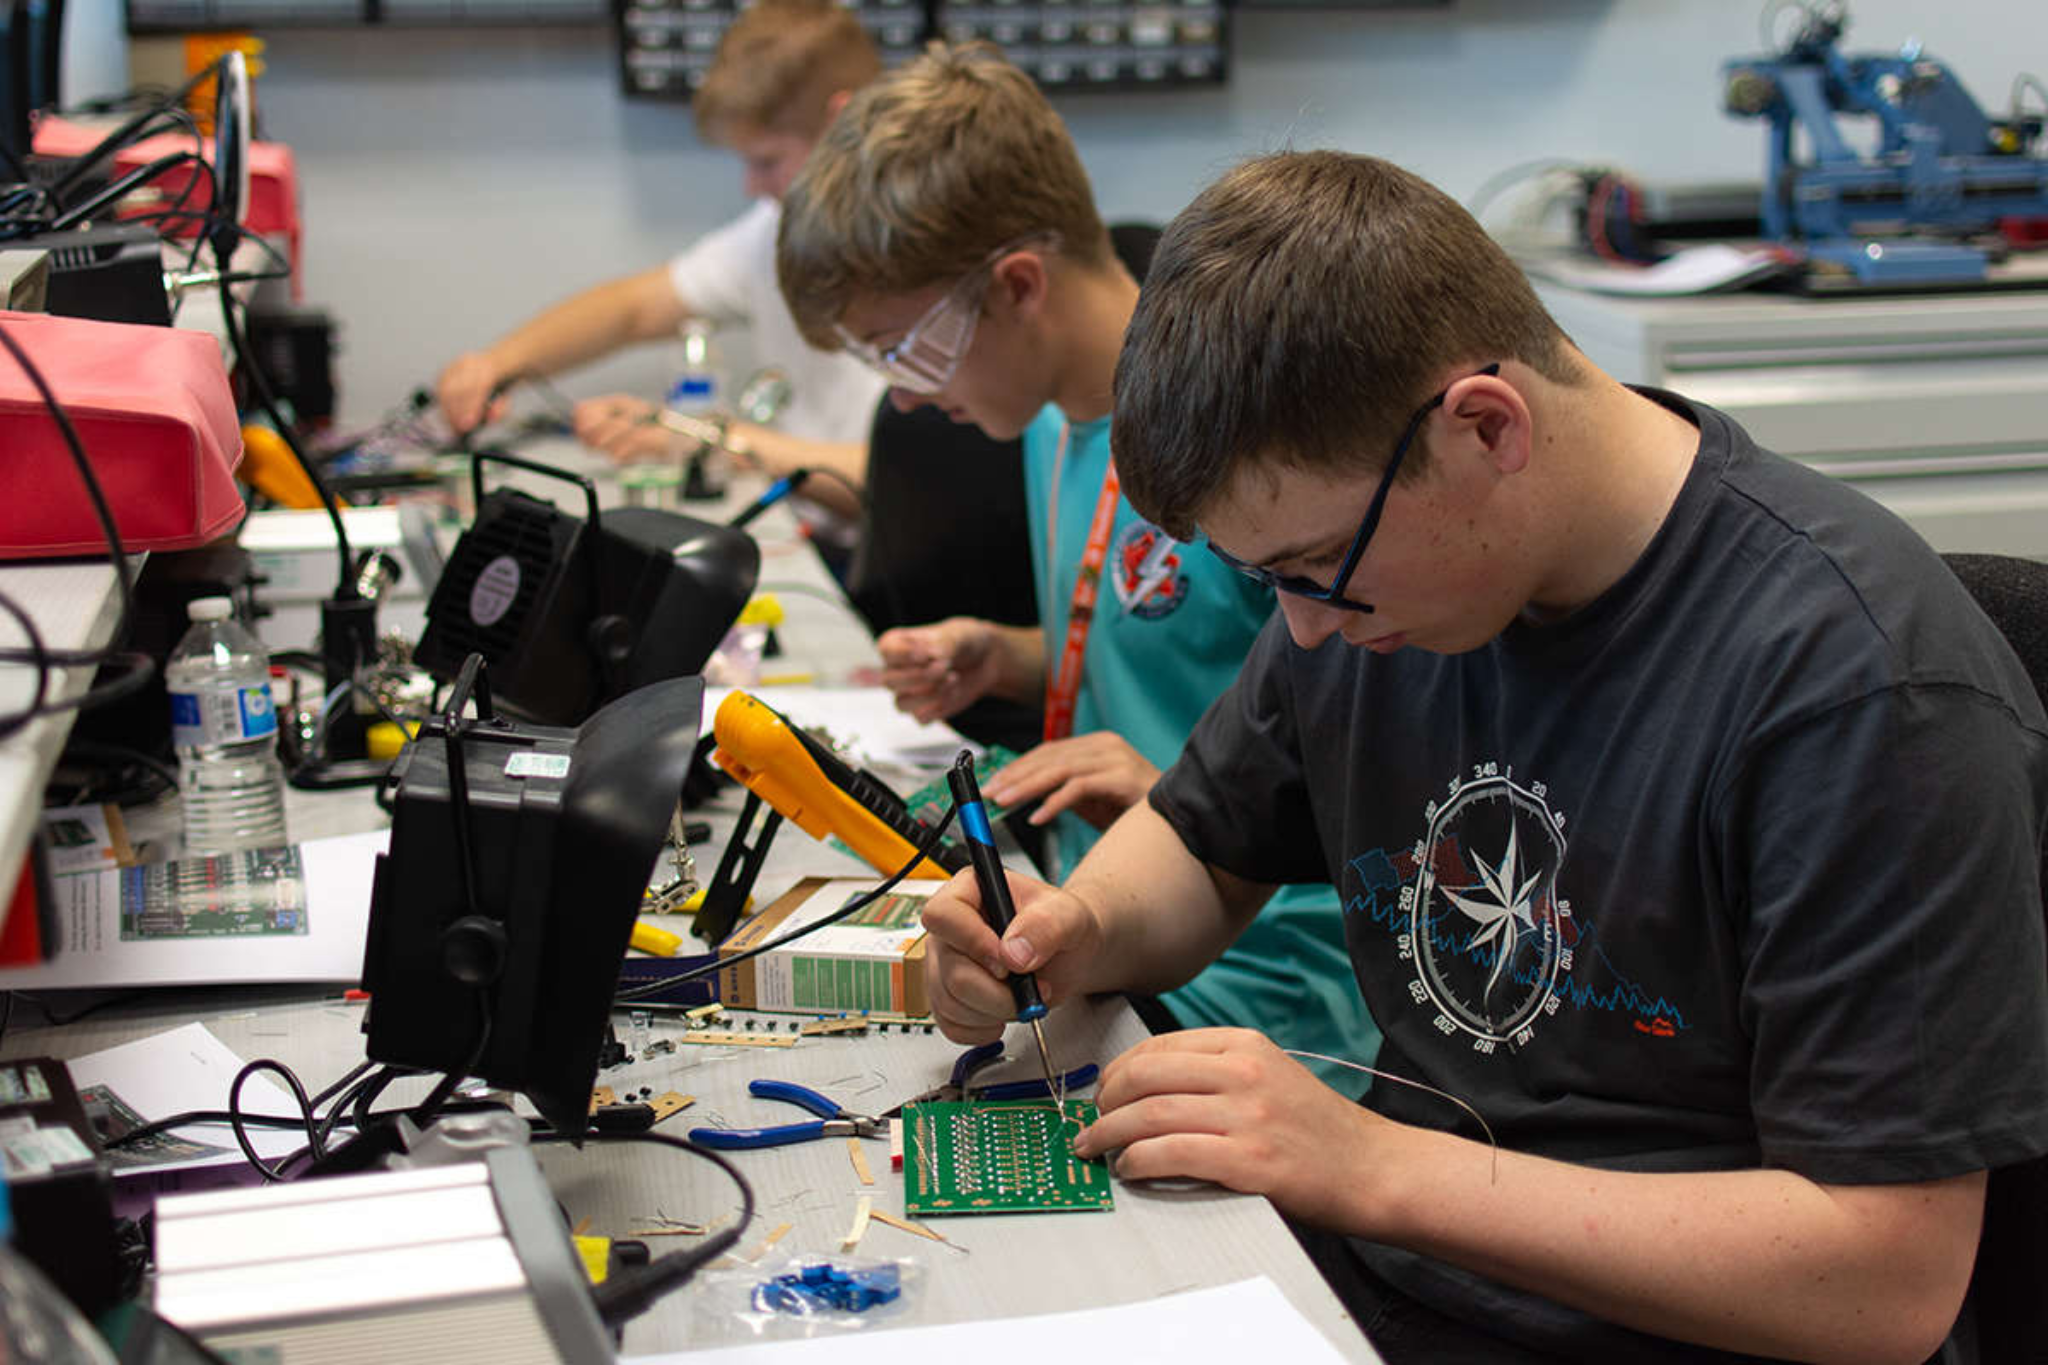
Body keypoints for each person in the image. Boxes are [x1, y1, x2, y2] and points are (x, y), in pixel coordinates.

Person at [916, 147, 2048, 1363]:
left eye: (1311, 574)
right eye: (1265, 583)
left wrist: (1364, 1164)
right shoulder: (1375, 589)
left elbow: (1883, 1281)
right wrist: (1072, 932)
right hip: (1392, 1286)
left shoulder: (1855, 682)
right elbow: (1205, 840)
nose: (1297, 629)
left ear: (1485, 427)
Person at [773, 45, 1381, 1086]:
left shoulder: (1246, 453)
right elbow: (1177, 649)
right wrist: (1009, 659)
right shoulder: (1052, 421)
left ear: (1016, 286)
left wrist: (1185, 809)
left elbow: (1380, 772)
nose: (903, 400)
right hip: (1102, 924)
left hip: (1265, 976)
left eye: (905, 351)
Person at [432, 0, 882, 519]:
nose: (752, 185)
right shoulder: (775, 231)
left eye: (767, 161)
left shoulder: (916, 257)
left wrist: (707, 440)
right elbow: (635, 309)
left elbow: (904, 477)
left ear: (842, 120)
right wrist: (497, 365)